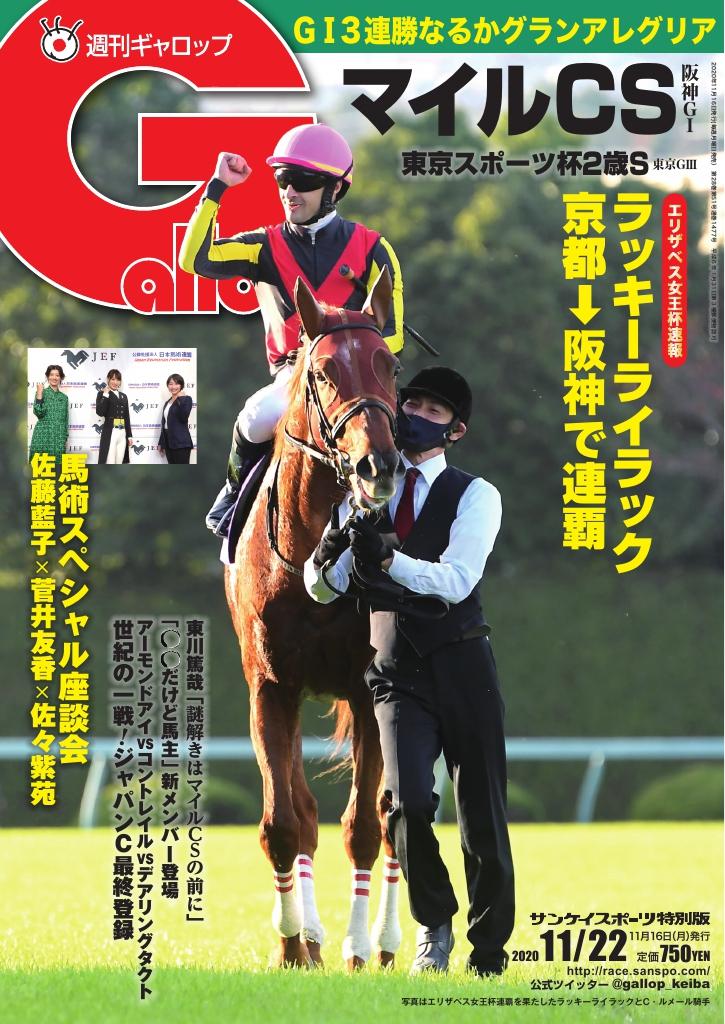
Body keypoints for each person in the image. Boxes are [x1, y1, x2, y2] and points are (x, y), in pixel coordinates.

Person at [304, 367, 514, 977]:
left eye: (433, 410)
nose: (416, 414)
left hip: (464, 664)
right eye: (411, 403)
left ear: (456, 431)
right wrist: (327, 553)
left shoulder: (477, 495)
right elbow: (323, 589)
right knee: (404, 804)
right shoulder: (362, 495)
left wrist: (389, 559)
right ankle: (434, 926)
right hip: (394, 672)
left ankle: (489, 951)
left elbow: (456, 581)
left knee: (482, 817)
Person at [179, 122, 404, 536]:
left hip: (361, 378)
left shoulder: (373, 247)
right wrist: (217, 187)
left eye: (303, 181)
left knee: (410, 431)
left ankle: (404, 520)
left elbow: (394, 336)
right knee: (255, 417)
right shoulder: (262, 246)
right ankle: (233, 492)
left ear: (335, 189)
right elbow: (194, 259)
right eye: (283, 179)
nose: (290, 191)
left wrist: (352, 359)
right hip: (294, 375)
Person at [30, 364, 69, 461]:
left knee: (58, 465)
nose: (54, 378)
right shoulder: (42, 393)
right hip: (43, 434)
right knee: (41, 465)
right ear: (47, 377)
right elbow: (38, 412)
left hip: (59, 436)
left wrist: (64, 437)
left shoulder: (64, 398)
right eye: (51, 375)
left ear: (61, 377)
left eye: (57, 375)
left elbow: (65, 419)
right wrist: (39, 393)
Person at [96, 369, 133, 464]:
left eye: (118, 380)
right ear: (108, 379)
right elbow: (100, 412)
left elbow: (126, 416)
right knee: (110, 462)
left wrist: (129, 435)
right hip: (110, 432)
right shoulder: (102, 393)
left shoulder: (124, 396)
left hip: (122, 433)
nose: (115, 382)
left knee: (120, 462)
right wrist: (105, 395)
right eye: (113, 379)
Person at [157, 373, 193, 464]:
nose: (173, 387)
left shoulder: (186, 399)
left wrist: (181, 399)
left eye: (176, 384)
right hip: (168, 443)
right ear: (168, 386)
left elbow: (183, 417)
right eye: (170, 384)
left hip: (181, 444)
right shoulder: (167, 402)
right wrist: (161, 442)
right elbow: (165, 424)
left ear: (181, 385)